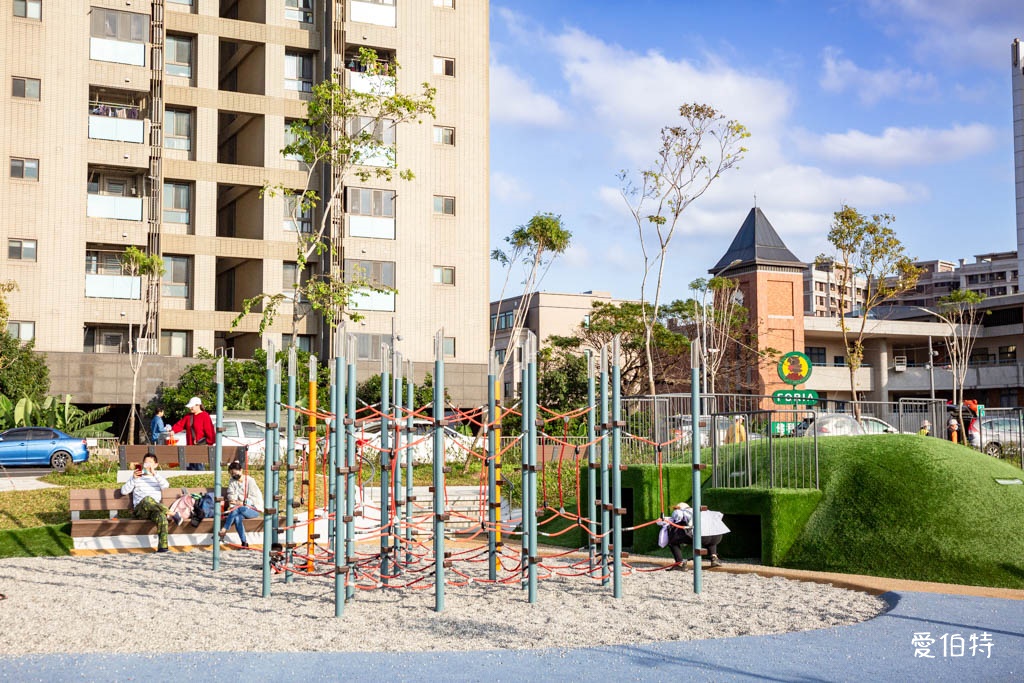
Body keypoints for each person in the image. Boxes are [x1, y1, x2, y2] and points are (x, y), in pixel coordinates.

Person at [120, 453, 171, 552]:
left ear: (156, 465)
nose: (147, 465)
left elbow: (166, 485)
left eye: (150, 463)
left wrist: (154, 474)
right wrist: (133, 478)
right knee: (147, 499)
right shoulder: (137, 477)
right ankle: (170, 513)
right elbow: (124, 491)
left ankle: (163, 548)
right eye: (145, 463)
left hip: (153, 510)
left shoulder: (157, 478)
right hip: (140, 510)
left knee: (161, 516)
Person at [665, 502, 728, 569]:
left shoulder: (682, 511)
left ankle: (679, 563)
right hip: (718, 536)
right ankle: (714, 558)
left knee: (672, 540)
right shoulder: (704, 511)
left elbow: (677, 517)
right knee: (709, 534)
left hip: (703, 537)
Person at [220, 460, 263, 548]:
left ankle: (225, 529)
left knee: (238, 508)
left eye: (235, 473)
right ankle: (244, 542)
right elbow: (231, 493)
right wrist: (232, 499)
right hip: (238, 509)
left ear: (241, 470)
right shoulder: (232, 481)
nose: (234, 476)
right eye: (232, 474)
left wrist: (242, 502)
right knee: (237, 517)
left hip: (253, 509)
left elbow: (254, 497)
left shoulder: (250, 481)